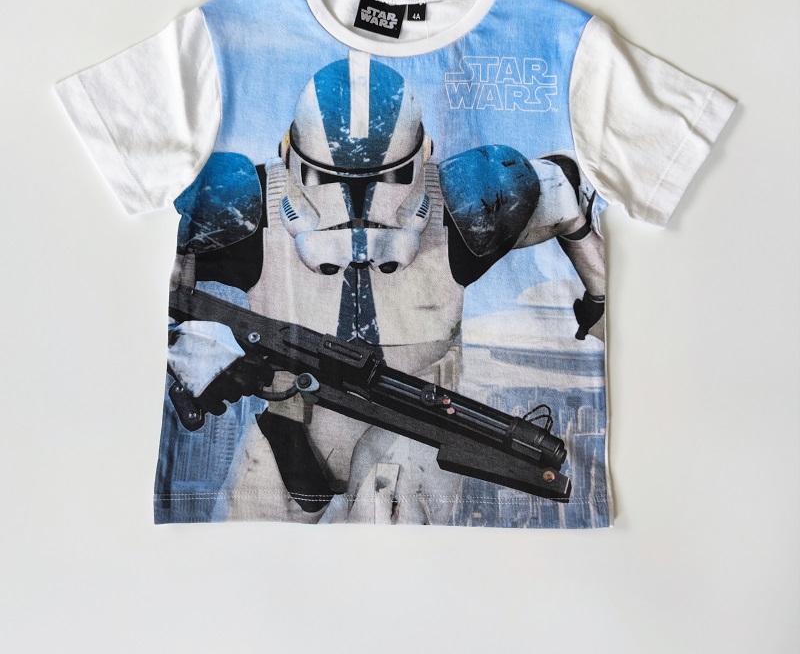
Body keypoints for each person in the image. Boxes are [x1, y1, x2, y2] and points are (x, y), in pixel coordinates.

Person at [167, 51, 605, 524]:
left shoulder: (467, 203)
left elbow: (561, 189)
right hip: (291, 417)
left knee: (392, 537)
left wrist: (601, 301)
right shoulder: (243, 208)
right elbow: (166, 281)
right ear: (288, 156)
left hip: (415, 419)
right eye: (325, 178)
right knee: (246, 540)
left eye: (391, 177)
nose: (357, 210)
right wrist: (190, 345)